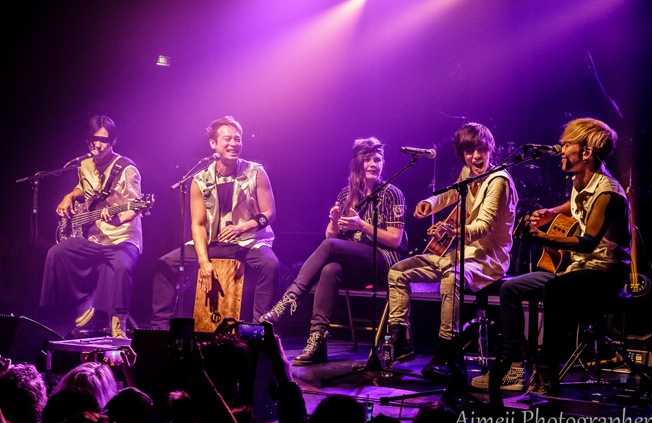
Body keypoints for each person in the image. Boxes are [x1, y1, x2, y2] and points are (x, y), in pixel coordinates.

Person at [480, 117, 631, 400]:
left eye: (567, 145)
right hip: (577, 268)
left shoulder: (608, 193)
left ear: (586, 152)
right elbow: (576, 205)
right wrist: (552, 212)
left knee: (555, 288)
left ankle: (546, 368)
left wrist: (541, 237)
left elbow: (587, 243)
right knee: (510, 288)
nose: (560, 150)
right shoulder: (580, 180)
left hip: (604, 273)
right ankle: (514, 363)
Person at [387, 122, 518, 384]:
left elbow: (484, 226)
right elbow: (450, 194)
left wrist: (453, 231)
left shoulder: (499, 181)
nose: (476, 156)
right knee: (397, 271)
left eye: (481, 149)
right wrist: (430, 202)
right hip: (460, 254)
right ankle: (401, 341)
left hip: (488, 258)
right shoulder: (467, 173)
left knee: (452, 279)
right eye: (470, 151)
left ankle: (447, 350)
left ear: (490, 149)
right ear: (463, 154)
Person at [259, 138, 408, 365]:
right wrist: (335, 223)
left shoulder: (392, 193)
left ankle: (289, 300)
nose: (373, 164)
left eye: (377, 160)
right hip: (355, 262)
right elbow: (332, 239)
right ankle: (317, 339)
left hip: (384, 260)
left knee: (330, 249)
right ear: (357, 163)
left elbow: (395, 241)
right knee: (330, 269)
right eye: (367, 160)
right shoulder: (346, 194)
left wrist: (362, 226)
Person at [150, 115, 280, 328]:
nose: (234, 144)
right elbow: (198, 224)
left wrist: (243, 227)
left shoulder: (256, 172)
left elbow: (270, 213)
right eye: (227, 139)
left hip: (248, 242)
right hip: (213, 242)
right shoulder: (200, 179)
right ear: (213, 144)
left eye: (237, 139)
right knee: (166, 263)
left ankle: (260, 329)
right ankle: (160, 328)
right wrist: (204, 262)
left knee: (270, 265)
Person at [39, 115, 143, 339]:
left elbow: (135, 206)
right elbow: (83, 188)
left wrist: (118, 219)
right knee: (57, 253)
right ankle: (73, 307)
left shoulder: (127, 168)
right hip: (96, 238)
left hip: (123, 239)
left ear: (113, 141)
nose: (98, 144)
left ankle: (118, 322)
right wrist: (68, 196)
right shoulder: (84, 165)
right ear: (88, 141)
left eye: (104, 140)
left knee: (122, 267)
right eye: (94, 139)